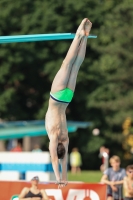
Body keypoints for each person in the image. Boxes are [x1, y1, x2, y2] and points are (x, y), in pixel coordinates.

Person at [45, 18, 92, 188]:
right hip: (56, 97)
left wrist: (64, 178)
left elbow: (62, 160)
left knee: (76, 65)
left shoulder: (65, 139)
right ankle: (79, 34)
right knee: (67, 63)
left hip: (67, 98)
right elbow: (55, 159)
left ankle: (84, 37)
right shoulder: (54, 136)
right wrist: (58, 179)